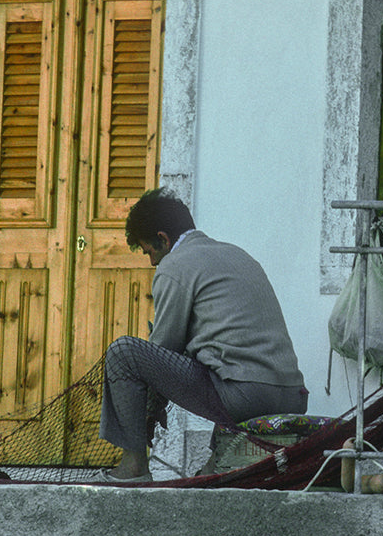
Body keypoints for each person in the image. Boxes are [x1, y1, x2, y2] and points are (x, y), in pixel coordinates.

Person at [98, 188, 308, 482]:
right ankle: (213, 466)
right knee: (217, 362)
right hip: (292, 396)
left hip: (244, 395)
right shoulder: (238, 254)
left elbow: (165, 346)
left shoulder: (174, 265)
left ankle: (133, 466)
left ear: (164, 239)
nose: (152, 263)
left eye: (150, 252)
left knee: (124, 353)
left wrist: (148, 411)